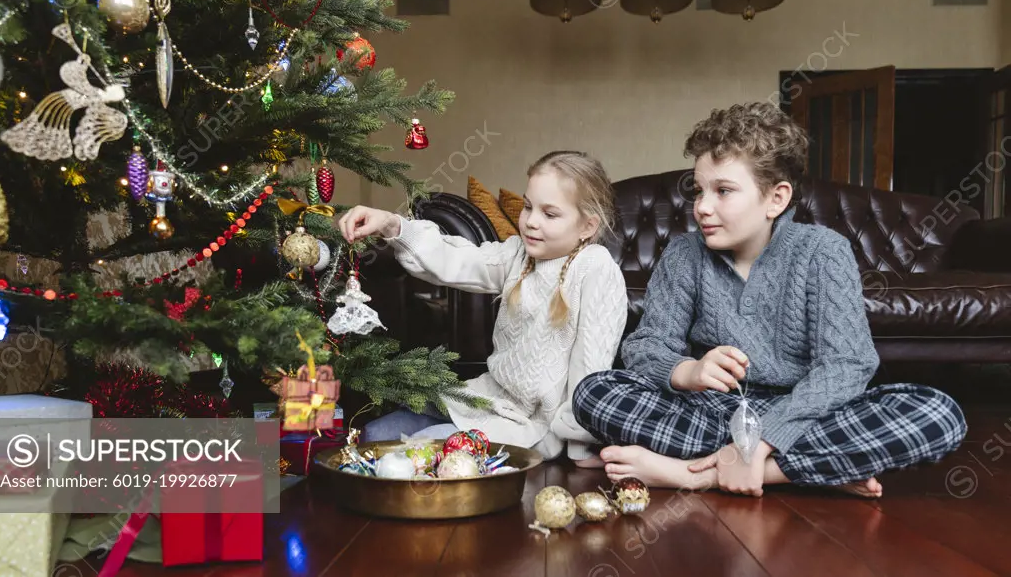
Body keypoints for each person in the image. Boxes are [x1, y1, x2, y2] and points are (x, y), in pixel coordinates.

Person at [572, 102, 967, 497]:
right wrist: (688, 371)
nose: (702, 207)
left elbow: (846, 366)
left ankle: (696, 474)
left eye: (723, 191)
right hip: (714, 411)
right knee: (595, 393)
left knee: (938, 414)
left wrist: (760, 443)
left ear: (776, 199)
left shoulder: (824, 251)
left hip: (803, 414)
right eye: (699, 190)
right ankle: (815, 470)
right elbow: (647, 346)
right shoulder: (684, 255)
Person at [337, 151, 628, 463]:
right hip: (488, 401)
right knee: (375, 436)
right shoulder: (518, 255)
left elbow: (591, 372)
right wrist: (392, 225)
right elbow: (455, 261)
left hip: (536, 429)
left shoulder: (595, 267)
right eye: (529, 206)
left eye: (550, 214)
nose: (531, 222)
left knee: (411, 454)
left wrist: (579, 452)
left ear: (587, 226)